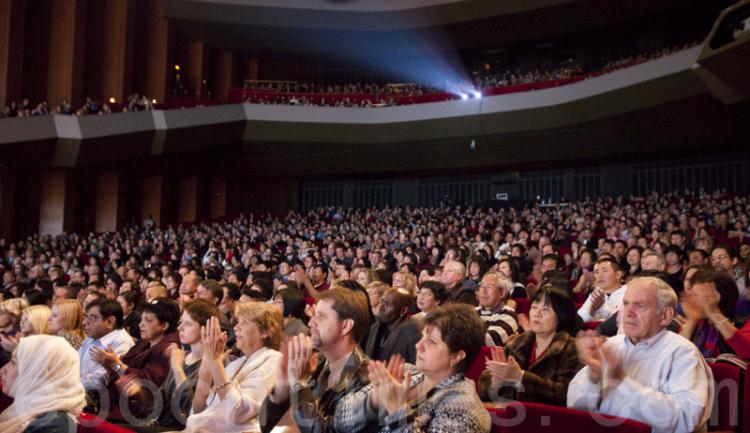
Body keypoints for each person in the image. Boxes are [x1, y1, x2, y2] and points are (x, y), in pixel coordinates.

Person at [567, 277, 714, 433]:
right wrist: (593, 376)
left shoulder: (683, 353)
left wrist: (621, 381)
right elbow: (575, 407)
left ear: (665, 316)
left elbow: (685, 421)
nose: (628, 313)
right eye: (625, 303)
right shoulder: (610, 345)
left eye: (639, 306)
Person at [334, 304, 491, 433]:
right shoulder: (407, 372)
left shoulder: (463, 405)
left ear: (456, 356)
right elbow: (339, 420)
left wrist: (397, 409)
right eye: (422, 337)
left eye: (431, 342)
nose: (418, 346)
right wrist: (374, 400)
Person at [261, 288, 372, 433]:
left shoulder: (366, 381)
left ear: (345, 326)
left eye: (320, 316)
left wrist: (299, 384)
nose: (310, 323)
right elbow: (266, 425)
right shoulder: (315, 364)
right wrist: (281, 391)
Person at [183, 302, 283, 433]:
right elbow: (198, 410)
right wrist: (206, 370)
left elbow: (238, 412)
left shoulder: (274, 360)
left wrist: (215, 362)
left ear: (265, 331)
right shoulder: (237, 363)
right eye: (237, 322)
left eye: (244, 322)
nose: (236, 327)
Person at [480, 287, 582, 406]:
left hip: (547, 420)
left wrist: (520, 377)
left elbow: (565, 396)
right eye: (534, 307)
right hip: (512, 415)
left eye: (545, 309)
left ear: (562, 316)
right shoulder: (517, 343)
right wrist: (496, 382)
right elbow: (485, 389)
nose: (537, 314)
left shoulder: (572, 349)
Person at [135, 299, 221, 432]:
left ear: (206, 329)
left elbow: (191, 411)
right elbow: (161, 398)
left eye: (188, 324)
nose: (180, 328)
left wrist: (177, 369)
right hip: (158, 423)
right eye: (181, 322)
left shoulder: (213, 365)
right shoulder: (183, 355)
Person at [94, 298, 180, 422]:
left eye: (148, 320)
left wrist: (116, 365)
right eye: (142, 319)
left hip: (135, 414)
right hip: (114, 403)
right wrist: (109, 365)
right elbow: (122, 368)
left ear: (164, 325)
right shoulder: (144, 342)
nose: (141, 325)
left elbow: (145, 383)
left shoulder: (169, 350)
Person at [0, 334, 86, 433]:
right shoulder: (30, 405)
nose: (3, 370)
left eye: (13, 362)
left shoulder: (52, 425)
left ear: (38, 372)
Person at [681, 267, 750, 359]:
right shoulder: (697, 324)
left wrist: (715, 314)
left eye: (696, 295)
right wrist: (691, 322)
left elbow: (747, 352)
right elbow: (674, 355)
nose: (691, 299)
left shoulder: (742, 324)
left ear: (717, 297)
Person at [365, 288, 421, 363]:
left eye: (387, 304)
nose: (380, 307)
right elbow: (358, 353)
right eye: (381, 301)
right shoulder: (376, 326)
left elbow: (418, 368)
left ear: (403, 311)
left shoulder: (415, 332)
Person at [476, 271, 519, 346]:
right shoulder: (473, 311)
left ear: (502, 293)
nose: (483, 291)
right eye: (482, 285)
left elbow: (490, 340)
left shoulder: (509, 314)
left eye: (489, 286)